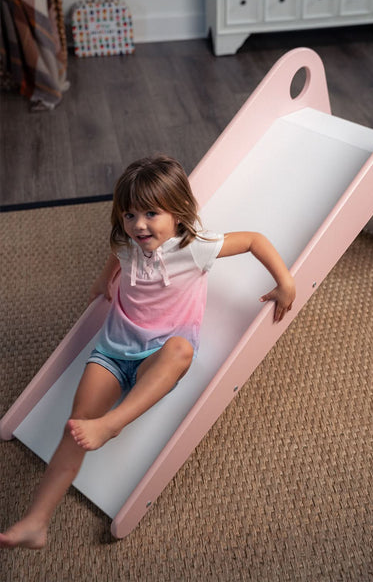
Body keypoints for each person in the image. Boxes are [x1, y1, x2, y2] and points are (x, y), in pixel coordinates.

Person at [0, 154, 295, 549]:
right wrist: (103, 280)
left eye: (151, 213)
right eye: (130, 215)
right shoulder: (126, 243)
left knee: (179, 351)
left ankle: (113, 423)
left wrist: (285, 283)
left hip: (157, 357)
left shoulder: (195, 248)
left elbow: (254, 240)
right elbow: (116, 252)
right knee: (75, 427)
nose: (139, 224)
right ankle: (36, 522)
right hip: (112, 352)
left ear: (178, 214)